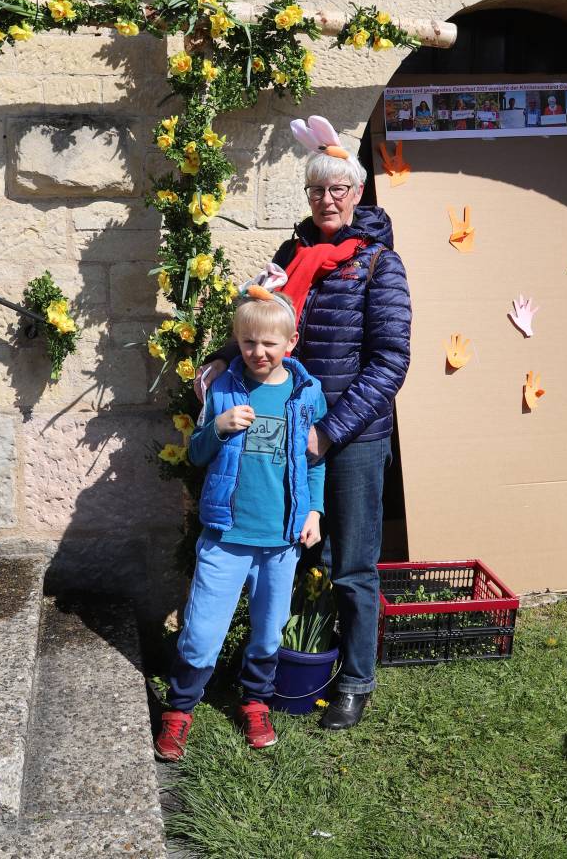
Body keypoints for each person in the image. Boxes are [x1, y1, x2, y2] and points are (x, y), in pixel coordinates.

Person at [197, 121, 411, 732]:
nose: (328, 200)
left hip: (352, 434)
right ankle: (278, 660)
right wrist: (220, 358)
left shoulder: (378, 265)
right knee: (290, 545)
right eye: (318, 190)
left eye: (339, 189)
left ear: (358, 193)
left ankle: (356, 679)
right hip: (287, 427)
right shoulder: (292, 257)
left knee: (352, 560)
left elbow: (391, 360)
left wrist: (331, 432)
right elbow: (264, 327)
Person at [154, 288, 327, 761]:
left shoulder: (305, 393)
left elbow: (314, 462)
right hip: (226, 537)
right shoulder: (224, 388)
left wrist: (313, 510)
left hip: (281, 539)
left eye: (270, 343)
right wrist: (219, 426)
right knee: (203, 629)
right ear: (237, 341)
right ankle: (180, 709)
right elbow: (196, 453)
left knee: (270, 630)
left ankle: (255, 702)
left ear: (290, 344)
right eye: (249, 342)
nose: (259, 352)